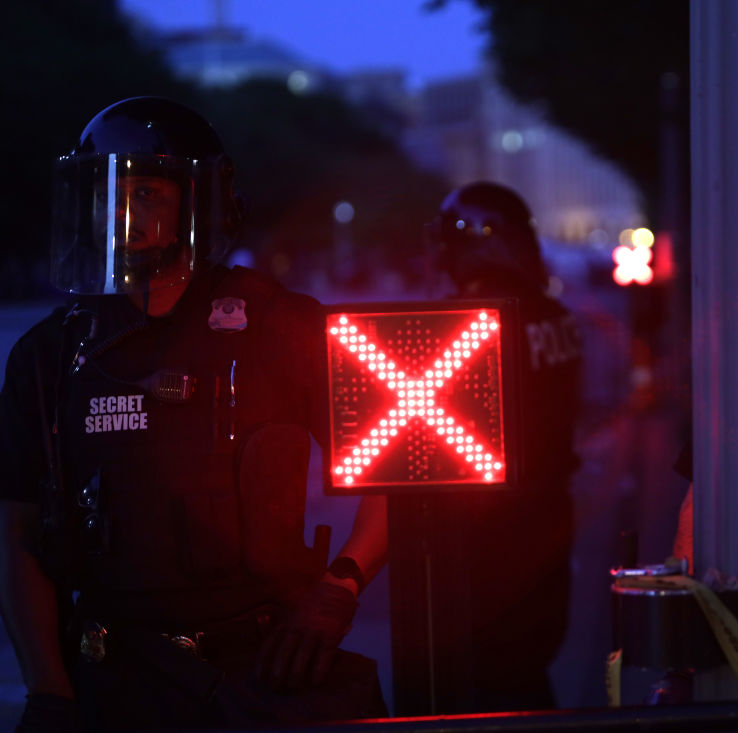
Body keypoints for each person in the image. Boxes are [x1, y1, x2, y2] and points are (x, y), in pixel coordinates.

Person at [0, 96, 389, 731]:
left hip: (265, 670)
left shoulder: (278, 326)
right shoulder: (49, 357)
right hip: (111, 677)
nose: (124, 215)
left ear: (199, 201)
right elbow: (16, 539)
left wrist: (338, 588)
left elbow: (401, 466)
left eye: (148, 194)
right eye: (109, 193)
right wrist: (49, 693)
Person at [414, 181, 582, 711]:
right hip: (549, 520)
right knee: (526, 675)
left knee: (481, 687)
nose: (442, 254)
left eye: (450, 241)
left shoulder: (470, 322)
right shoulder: (553, 315)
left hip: (482, 540)